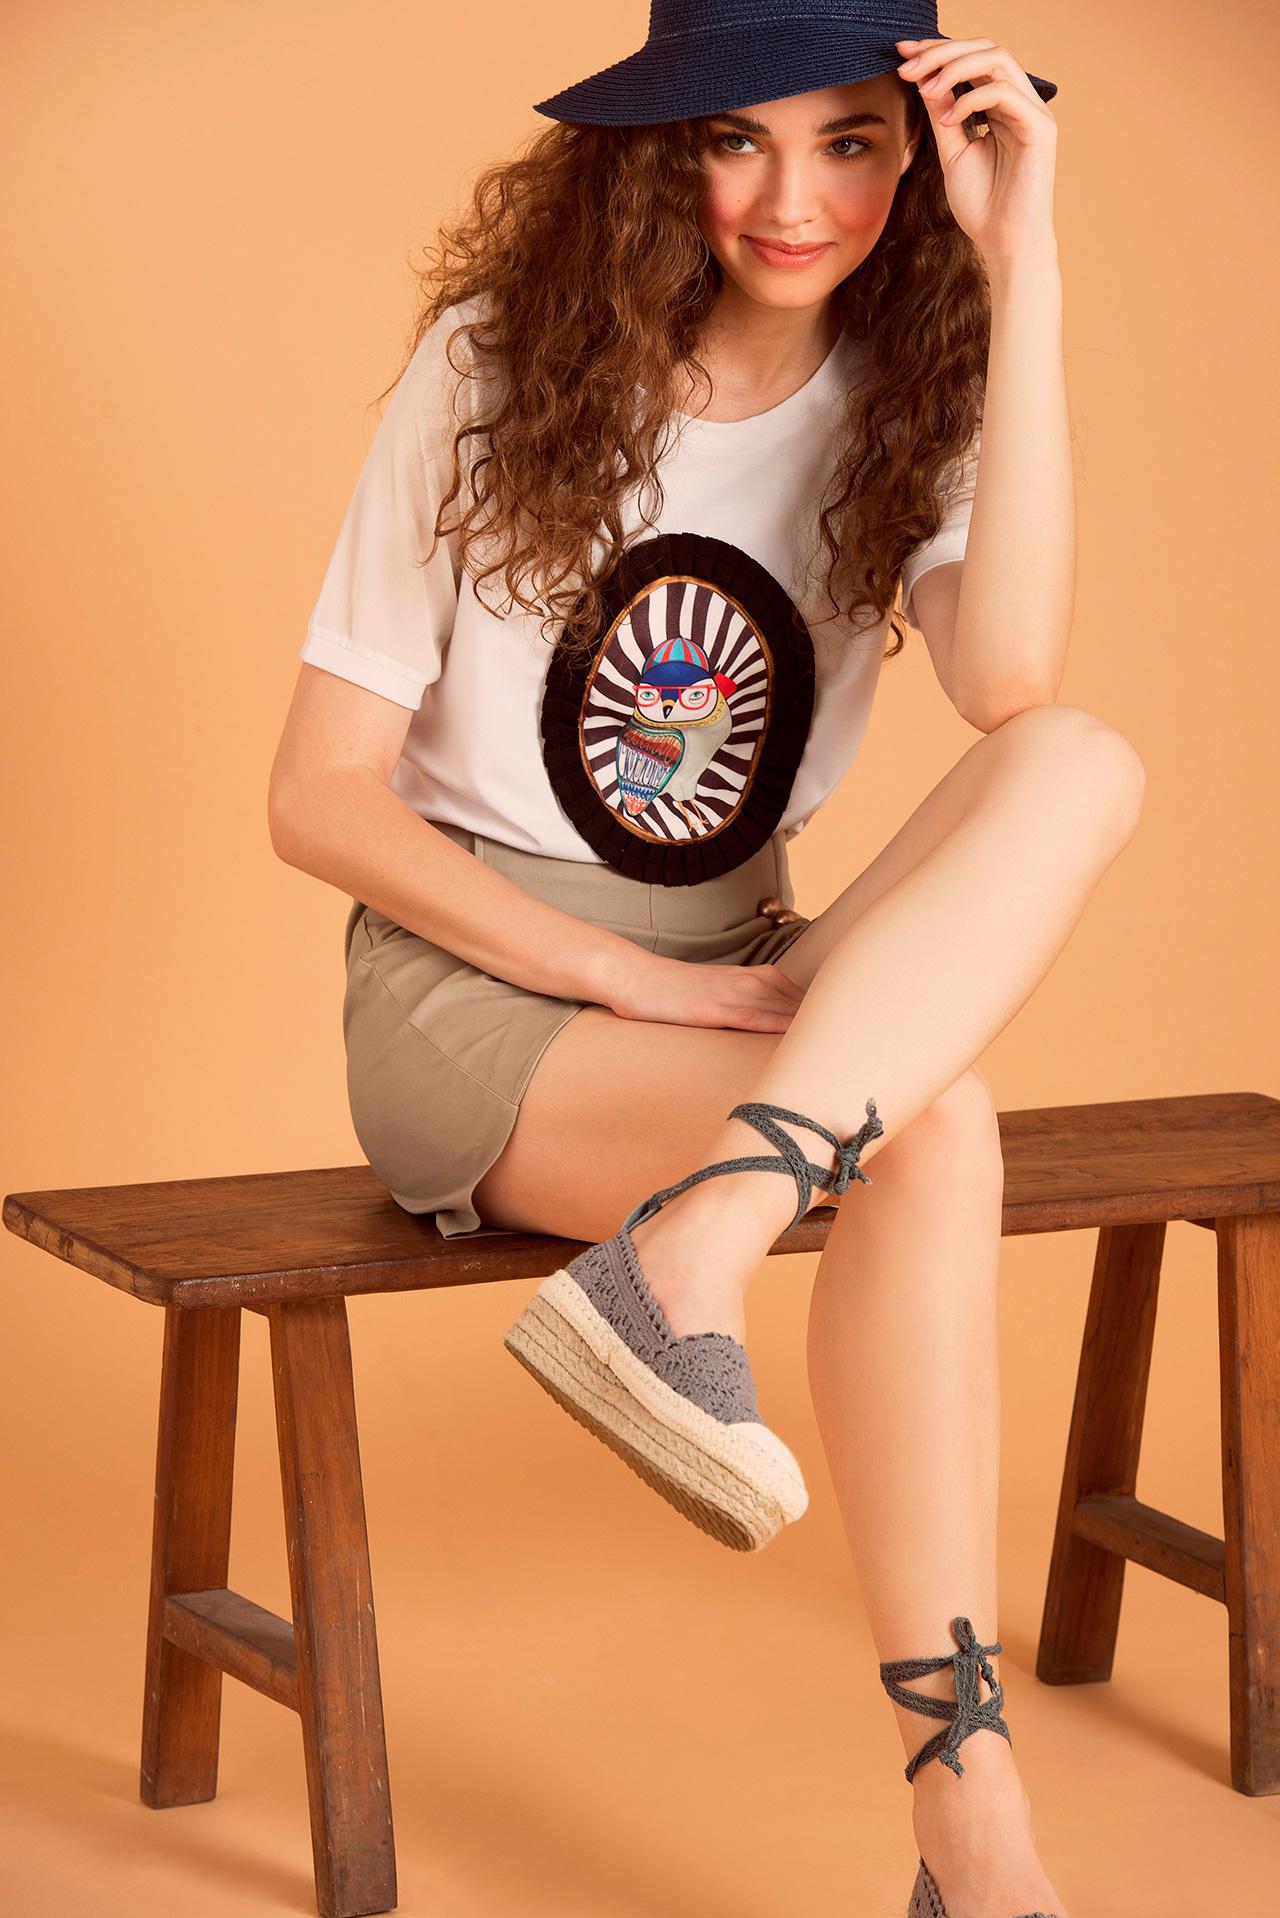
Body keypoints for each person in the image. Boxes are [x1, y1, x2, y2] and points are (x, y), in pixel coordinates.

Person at [269, 6, 1138, 1914]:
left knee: (1081, 759)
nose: (793, 198)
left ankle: (694, 1245)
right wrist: (630, 981)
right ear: (660, 156)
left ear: (915, 154)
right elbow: (318, 798)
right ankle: (974, 1822)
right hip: (481, 992)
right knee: (938, 1127)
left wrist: (1028, 267)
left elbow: (1011, 682)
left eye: (852, 140)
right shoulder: (493, 362)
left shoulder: (912, 384)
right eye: (737, 140)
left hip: (744, 967)